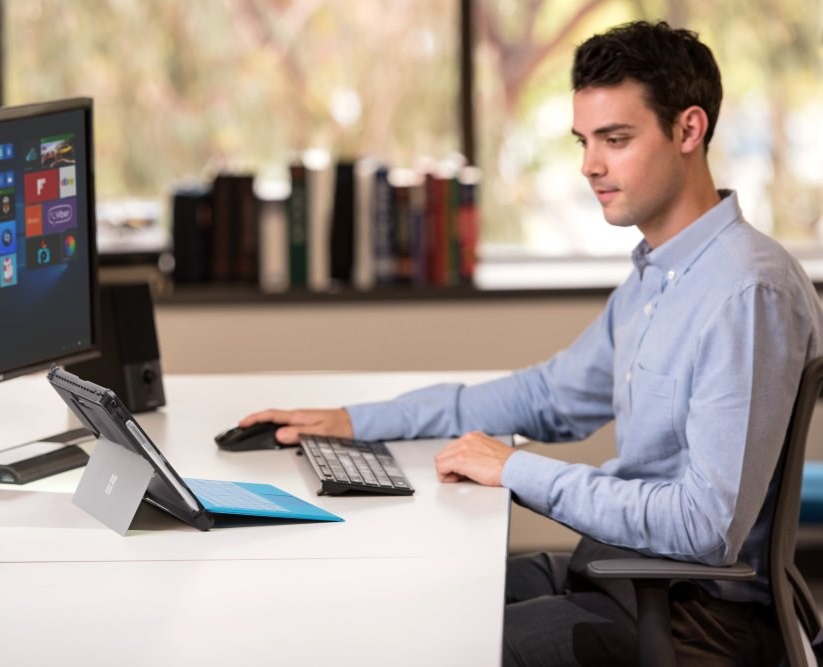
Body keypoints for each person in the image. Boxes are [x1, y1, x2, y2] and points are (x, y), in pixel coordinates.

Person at [240, 20, 823, 666]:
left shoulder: (746, 292)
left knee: (434, 646)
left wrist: (516, 469)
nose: (589, 166)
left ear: (689, 130)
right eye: (583, 141)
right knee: (403, 599)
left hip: (695, 620)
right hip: (625, 578)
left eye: (615, 139)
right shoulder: (661, 275)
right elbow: (546, 395)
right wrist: (356, 421)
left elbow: (705, 527)